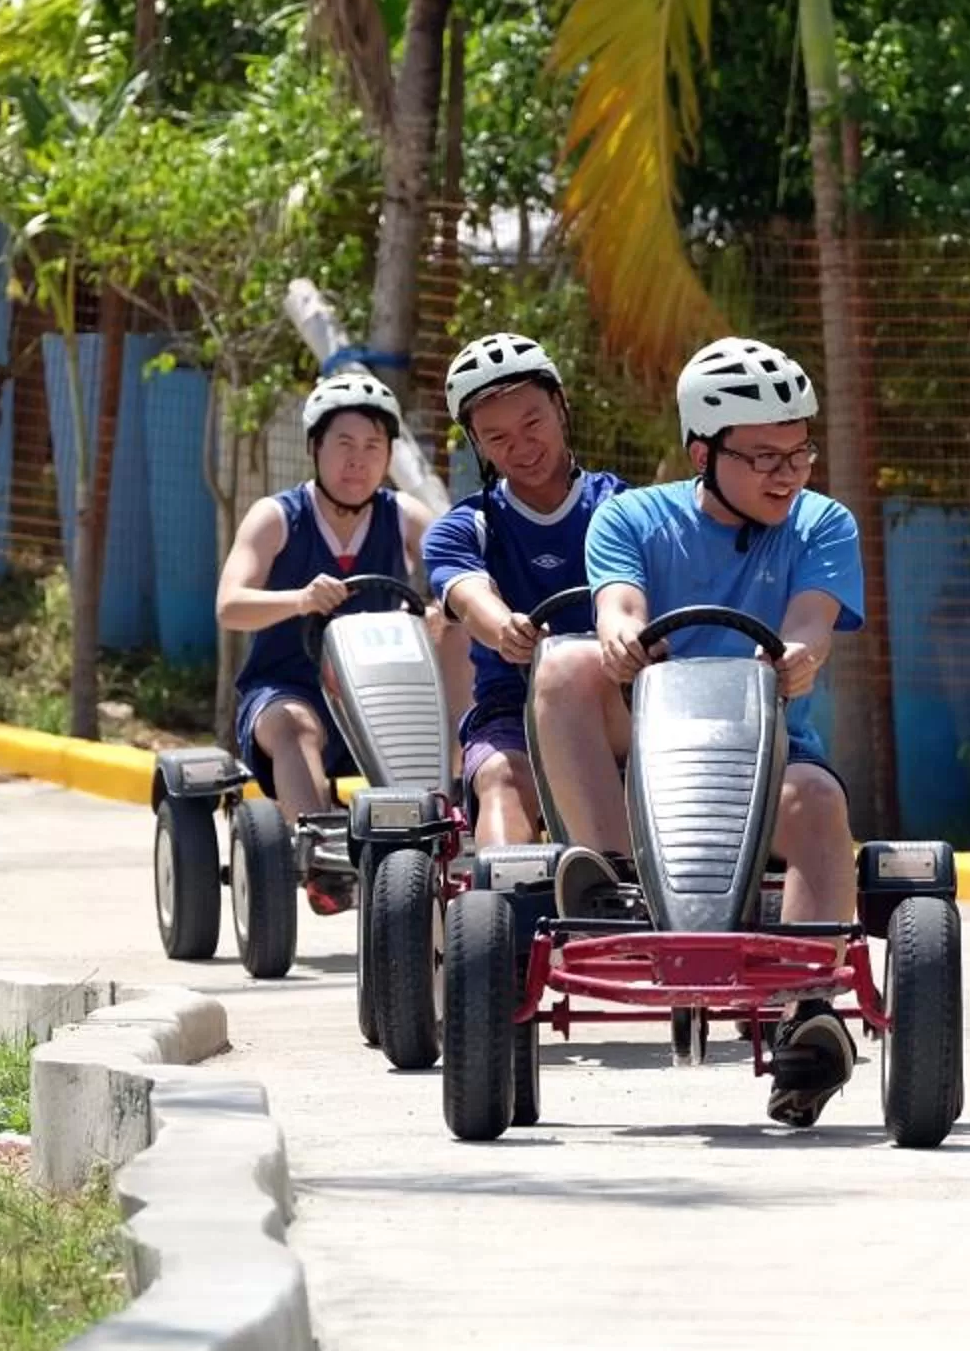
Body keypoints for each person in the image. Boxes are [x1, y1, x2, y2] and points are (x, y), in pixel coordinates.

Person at [536, 337, 870, 1126]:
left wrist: (798, 656)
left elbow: (810, 626)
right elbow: (618, 606)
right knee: (563, 668)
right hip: (647, 753)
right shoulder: (632, 518)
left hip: (769, 746)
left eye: (798, 453)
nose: (787, 474)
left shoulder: (823, 523)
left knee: (820, 800)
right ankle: (623, 886)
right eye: (763, 457)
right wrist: (621, 635)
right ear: (702, 451)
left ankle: (806, 1011)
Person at [216, 369, 436, 913]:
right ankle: (325, 859)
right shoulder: (277, 517)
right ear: (315, 448)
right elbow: (229, 605)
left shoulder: (404, 516)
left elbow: (465, 577)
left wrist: (440, 614)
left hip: (381, 698)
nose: (357, 461)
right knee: (296, 724)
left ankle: (445, 837)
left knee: (457, 657)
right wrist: (297, 600)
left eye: (372, 446)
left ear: (388, 457)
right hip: (285, 692)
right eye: (343, 445)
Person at [418, 333, 625, 847]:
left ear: (560, 405)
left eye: (532, 423)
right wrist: (504, 627)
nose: (522, 447)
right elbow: (470, 596)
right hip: (512, 709)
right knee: (503, 778)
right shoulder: (463, 528)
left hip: (622, 705)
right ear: (476, 444)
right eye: (497, 437)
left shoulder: (622, 508)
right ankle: (501, 916)